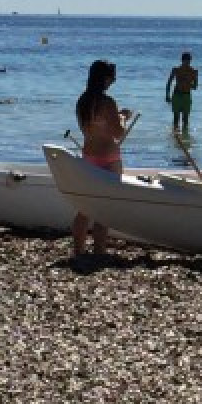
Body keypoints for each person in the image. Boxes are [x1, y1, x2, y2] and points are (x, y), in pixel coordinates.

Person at [72, 59, 132, 256]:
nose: (113, 81)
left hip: (88, 155)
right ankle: (99, 251)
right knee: (104, 207)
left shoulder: (83, 101)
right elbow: (118, 133)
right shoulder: (107, 102)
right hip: (108, 158)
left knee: (84, 207)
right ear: (104, 78)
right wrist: (122, 116)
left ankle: (79, 251)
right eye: (112, 77)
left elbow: (88, 128)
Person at [165, 51, 198, 132]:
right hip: (176, 95)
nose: (187, 63)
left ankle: (185, 136)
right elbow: (169, 82)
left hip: (186, 96)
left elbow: (195, 87)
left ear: (190, 61)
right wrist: (167, 95)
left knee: (185, 119)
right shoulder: (176, 70)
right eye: (185, 61)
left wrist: (187, 83)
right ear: (182, 60)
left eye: (188, 61)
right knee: (176, 118)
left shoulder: (193, 71)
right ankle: (176, 135)